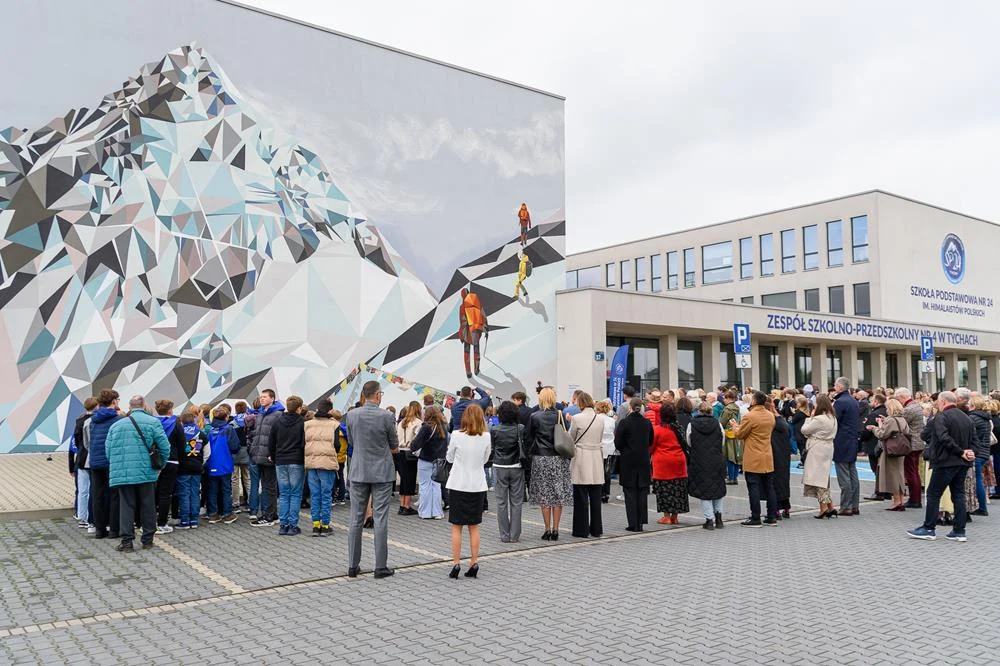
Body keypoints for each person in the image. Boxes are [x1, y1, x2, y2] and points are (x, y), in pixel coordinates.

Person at [345, 381, 400, 578]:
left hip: (359, 470)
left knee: (355, 518)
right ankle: (380, 566)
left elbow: (351, 441)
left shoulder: (351, 415)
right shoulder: (387, 416)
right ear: (377, 395)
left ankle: (352, 565)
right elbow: (394, 443)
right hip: (382, 472)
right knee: (380, 517)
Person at [104, 395, 171, 552]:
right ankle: (147, 539)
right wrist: (161, 464)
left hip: (123, 473)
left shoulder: (116, 425)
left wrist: (118, 465)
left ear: (130, 406)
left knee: (126, 506)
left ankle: (127, 542)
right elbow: (165, 447)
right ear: (144, 405)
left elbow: (108, 451)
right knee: (147, 505)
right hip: (146, 472)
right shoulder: (153, 422)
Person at [908, 391, 975, 542]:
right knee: (958, 494)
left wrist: (960, 451)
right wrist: (969, 452)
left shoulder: (941, 417)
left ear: (943, 402)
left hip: (945, 461)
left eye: (938, 401)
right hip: (962, 462)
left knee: (933, 493)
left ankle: (928, 528)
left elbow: (943, 437)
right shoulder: (966, 417)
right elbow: (974, 440)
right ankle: (959, 530)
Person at [446, 404, 492, 578]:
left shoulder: (457, 435)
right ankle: (474, 562)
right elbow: (486, 459)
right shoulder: (486, 436)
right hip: (477, 485)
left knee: (457, 527)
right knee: (474, 526)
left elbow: (449, 457)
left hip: (458, 483)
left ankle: (456, 563)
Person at [527, 387, 571, 540]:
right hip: (558, 458)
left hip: (541, 458)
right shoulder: (560, 414)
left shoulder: (534, 416)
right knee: (558, 494)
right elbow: (567, 433)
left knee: (544, 495)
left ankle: (547, 529)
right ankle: (556, 529)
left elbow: (529, 438)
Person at [731, 391, 776, 527]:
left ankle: (755, 517)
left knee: (753, 486)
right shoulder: (770, 416)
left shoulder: (749, 416)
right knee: (769, 487)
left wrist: (734, 425)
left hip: (753, 456)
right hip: (767, 455)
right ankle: (771, 516)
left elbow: (740, 434)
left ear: (754, 401)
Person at [83, 390, 124, 540]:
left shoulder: (92, 420)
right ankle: (114, 529)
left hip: (95, 462)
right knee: (115, 496)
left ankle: (99, 530)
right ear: (113, 402)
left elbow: (87, 443)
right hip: (112, 462)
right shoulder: (118, 420)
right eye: (117, 400)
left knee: (97, 495)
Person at [268, 395, 306, 535]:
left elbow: (271, 441)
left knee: (284, 494)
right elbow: (303, 443)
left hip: (280, 460)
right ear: (299, 408)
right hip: (296, 460)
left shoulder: (278, 421)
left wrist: (272, 455)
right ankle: (293, 525)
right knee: (295, 494)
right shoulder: (302, 422)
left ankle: (283, 525)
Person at [614, 397, 654, 532]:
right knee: (642, 491)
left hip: (628, 460)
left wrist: (625, 450)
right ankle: (641, 521)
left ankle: (633, 523)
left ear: (630, 407)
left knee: (630, 492)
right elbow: (650, 441)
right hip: (643, 460)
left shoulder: (624, 423)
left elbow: (618, 443)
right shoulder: (647, 423)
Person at [490, 400, 527, 542]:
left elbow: (493, 448)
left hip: (499, 467)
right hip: (516, 466)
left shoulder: (494, 429)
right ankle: (514, 535)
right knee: (516, 502)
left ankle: (504, 535)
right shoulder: (520, 428)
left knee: (501, 502)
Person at [686, 400, 727, 530]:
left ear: (699, 411)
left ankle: (709, 520)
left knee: (704, 490)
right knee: (717, 489)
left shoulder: (691, 424)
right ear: (711, 411)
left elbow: (689, 441)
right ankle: (719, 518)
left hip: (699, 460)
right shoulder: (718, 424)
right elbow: (722, 441)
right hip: (716, 459)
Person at [569, 392, 604, 538]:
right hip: (596, 455)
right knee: (596, 495)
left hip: (582, 456)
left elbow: (571, 438)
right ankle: (596, 529)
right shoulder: (600, 418)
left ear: (580, 403)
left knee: (581, 494)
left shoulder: (577, 418)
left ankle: (581, 529)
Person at [304, 398, 340, 536]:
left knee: (315, 494)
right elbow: (337, 445)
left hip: (312, 463)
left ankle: (315, 525)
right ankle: (325, 525)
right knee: (326, 495)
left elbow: (304, 443)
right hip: (327, 463)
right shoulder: (334, 425)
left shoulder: (307, 424)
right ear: (330, 410)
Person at [249, 390, 284, 527]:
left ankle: (270, 516)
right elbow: (256, 434)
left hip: (269, 456)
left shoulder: (277, 414)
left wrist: (273, 453)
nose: (261, 399)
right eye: (261, 397)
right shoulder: (261, 414)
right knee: (266, 485)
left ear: (272, 398)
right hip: (259, 454)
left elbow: (278, 436)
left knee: (270, 486)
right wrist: (253, 450)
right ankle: (271, 514)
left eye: (264, 397)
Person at [651, 402, 689, 525]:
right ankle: (675, 517)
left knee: (664, 489)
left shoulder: (657, 429)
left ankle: (666, 516)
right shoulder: (679, 428)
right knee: (677, 488)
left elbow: (651, 447)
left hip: (663, 463)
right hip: (679, 461)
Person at [800, 394, 838, 519]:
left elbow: (805, 430)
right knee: (824, 478)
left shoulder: (819, 419)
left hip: (817, 448)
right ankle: (830, 506)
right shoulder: (832, 417)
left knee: (817, 479)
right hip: (828, 447)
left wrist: (810, 417)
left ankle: (823, 508)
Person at [870, 398, 910, 511]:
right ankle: (901, 500)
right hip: (901, 450)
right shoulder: (902, 419)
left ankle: (896, 501)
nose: (886, 410)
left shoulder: (891, 420)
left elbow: (882, 434)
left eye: (887, 408)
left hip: (890, 451)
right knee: (900, 474)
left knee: (892, 476)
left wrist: (875, 428)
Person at [153, 400, 185, 535]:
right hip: (172, 461)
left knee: (153, 491)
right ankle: (162, 523)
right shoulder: (176, 424)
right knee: (166, 493)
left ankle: (150, 520)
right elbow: (182, 444)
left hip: (155, 461)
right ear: (170, 410)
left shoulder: (153, 423)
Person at [832, 377, 861, 516]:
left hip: (841, 440)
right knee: (852, 472)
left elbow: (834, 421)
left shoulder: (840, 402)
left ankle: (846, 506)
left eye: (835, 385)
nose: (834, 387)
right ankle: (854, 505)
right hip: (852, 439)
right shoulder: (854, 401)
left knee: (844, 475)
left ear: (840, 387)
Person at [413, 405, 449, 520]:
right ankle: (437, 512)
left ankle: (425, 512)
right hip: (439, 461)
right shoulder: (444, 427)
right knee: (436, 486)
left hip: (426, 459)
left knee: (425, 485)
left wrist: (412, 446)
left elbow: (416, 444)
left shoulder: (426, 427)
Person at [175, 412, 206, 529]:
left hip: (182, 468)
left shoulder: (179, 433)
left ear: (182, 422)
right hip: (197, 468)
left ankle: (184, 521)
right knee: (195, 494)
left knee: (184, 494)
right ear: (194, 421)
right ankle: (194, 520)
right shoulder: (201, 434)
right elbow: (207, 452)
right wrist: (200, 463)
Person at [896, 388, 925, 508]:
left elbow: (900, 422)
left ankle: (915, 499)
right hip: (918, 443)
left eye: (898, 399)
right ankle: (915, 498)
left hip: (911, 444)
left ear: (902, 397)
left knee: (911, 472)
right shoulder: (916, 406)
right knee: (914, 471)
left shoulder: (909, 409)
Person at [72, 398, 98, 531]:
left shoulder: (79, 421)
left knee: (83, 490)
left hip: (81, 458)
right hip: (93, 458)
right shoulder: (95, 421)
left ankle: (82, 518)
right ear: (96, 406)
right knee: (93, 490)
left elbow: (76, 442)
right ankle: (91, 518)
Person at [860, 394, 889, 501]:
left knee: (876, 469)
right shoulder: (886, 412)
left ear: (876, 402)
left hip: (874, 445)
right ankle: (886, 491)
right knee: (883, 469)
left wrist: (861, 439)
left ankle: (879, 492)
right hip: (884, 445)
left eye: (872, 400)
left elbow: (867, 431)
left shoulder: (874, 414)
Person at [395, 401, 422, 515]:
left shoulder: (401, 422)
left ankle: (402, 505)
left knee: (403, 480)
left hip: (400, 452)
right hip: (410, 453)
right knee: (410, 479)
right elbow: (418, 439)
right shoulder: (418, 422)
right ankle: (407, 505)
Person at [967, 395, 992, 516]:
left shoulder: (973, 418)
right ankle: (982, 507)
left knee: (977, 480)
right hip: (985, 451)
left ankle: (982, 507)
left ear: (973, 405)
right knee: (979, 480)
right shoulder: (986, 418)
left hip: (977, 453)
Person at [768, 399, 792, 519]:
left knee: (774, 482)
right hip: (784, 454)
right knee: (783, 480)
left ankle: (776, 509)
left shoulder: (771, 422)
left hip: (774, 453)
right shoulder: (781, 420)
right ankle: (786, 508)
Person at [458, 287, 488, 380]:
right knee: (476, 351)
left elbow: (462, 322)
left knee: (466, 352)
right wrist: (486, 328)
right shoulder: (476, 303)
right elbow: (483, 315)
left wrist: (462, 334)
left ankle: (468, 372)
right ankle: (476, 370)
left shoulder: (462, 307)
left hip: (466, 332)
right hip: (476, 331)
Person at [230, 401, 251, 514]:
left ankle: (235, 503)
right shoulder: (250, 421)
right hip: (246, 451)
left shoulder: (232, 423)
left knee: (234, 479)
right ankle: (250, 503)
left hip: (235, 453)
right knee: (247, 478)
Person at [596, 399, 617, 503]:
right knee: (607, 472)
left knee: (598, 471)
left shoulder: (596, 419)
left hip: (599, 448)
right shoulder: (612, 420)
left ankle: (598, 493)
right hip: (609, 448)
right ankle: (606, 494)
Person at [719, 390, 742, 485]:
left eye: (725, 398)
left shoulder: (727, 409)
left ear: (729, 398)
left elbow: (722, 422)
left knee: (729, 456)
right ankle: (735, 477)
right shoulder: (737, 408)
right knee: (736, 457)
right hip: (736, 433)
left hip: (728, 435)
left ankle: (731, 478)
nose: (723, 400)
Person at [791, 395, 809, 469]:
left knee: (802, 448)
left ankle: (804, 462)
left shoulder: (799, 412)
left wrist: (793, 413)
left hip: (799, 432)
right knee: (803, 447)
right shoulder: (806, 411)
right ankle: (804, 462)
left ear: (801, 404)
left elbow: (793, 420)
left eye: (797, 402)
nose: (796, 404)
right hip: (803, 432)